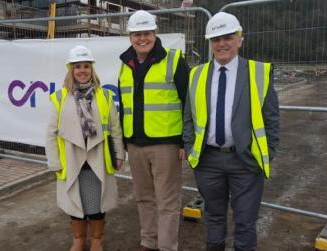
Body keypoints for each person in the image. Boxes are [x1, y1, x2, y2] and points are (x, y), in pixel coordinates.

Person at [183, 12, 280, 251]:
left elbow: (272, 121)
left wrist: (265, 152)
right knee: (214, 217)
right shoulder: (197, 74)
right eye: (216, 39)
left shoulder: (258, 73)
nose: (222, 43)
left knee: (245, 222)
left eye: (228, 37)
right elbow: (188, 118)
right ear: (210, 43)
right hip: (208, 161)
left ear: (239, 39)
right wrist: (190, 148)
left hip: (245, 161)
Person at [117, 10, 190, 251]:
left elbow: (189, 104)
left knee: (167, 202)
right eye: (137, 34)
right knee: (143, 198)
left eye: (146, 33)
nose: (142, 39)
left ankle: (167, 247)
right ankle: (148, 242)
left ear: (155, 33)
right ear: (130, 37)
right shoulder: (124, 64)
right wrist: (123, 145)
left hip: (165, 146)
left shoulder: (174, 60)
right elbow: (124, 107)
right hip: (135, 145)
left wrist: (183, 142)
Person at [45, 45, 125, 251]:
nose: (82, 70)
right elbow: (51, 133)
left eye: (86, 66)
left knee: (97, 202)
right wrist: (54, 161)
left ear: (92, 69)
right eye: (78, 66)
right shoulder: (60, 98)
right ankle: (78, 239)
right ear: (71, 70)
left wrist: (119, 154)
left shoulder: (105, 96)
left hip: (98, 157)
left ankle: (97, 238)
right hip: (72, 159)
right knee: (76, 201)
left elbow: (115, 128)